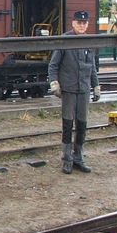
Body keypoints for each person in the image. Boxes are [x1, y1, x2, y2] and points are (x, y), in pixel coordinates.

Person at [48, 10, 101, 175]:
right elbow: (53, 65)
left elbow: (92, 67)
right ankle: (66, 159)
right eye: (79, 22)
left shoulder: (89, 43)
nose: (82, 25)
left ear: (87, 24)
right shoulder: (65, 40)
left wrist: (96, 85)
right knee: (68, 124)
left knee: (82, 124)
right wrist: (54, 83)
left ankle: (78, 157)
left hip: (83, 90)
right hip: (69, 90)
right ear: (73, 23)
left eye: (84, 22)